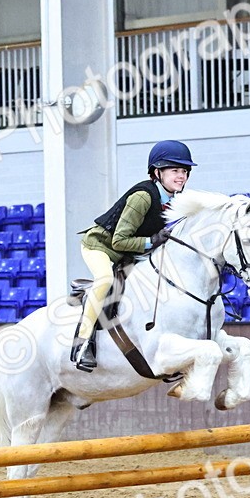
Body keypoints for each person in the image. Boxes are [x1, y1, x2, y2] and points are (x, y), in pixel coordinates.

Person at [71, 140, 196, 372]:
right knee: (105, 281)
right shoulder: (143, 197)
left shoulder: (177, 200)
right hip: (101, 246)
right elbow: (119, 240)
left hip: (130, 252)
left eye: (185, 171)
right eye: (175, 170)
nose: (182, 176)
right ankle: (82, 344)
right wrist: (151, 241)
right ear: (157, 172)